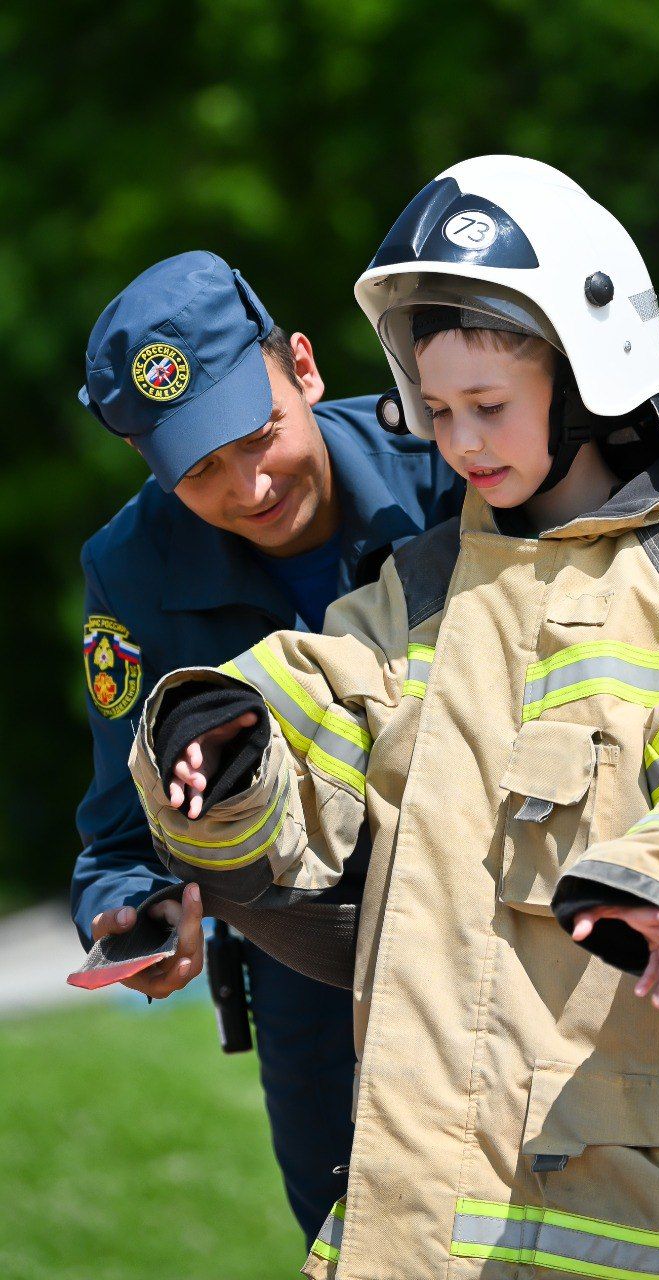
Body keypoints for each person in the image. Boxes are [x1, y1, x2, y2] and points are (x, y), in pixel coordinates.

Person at [129, 156, 659, 1279]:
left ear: (588, 372)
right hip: (412, 1220)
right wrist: (221, 739)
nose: (458, 440)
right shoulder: (416, 588)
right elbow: (316, 688)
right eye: (438, 408)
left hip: (650, 1214)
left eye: (488, 406)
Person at [71, 250, 463, 1244]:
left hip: (501, 915)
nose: (247, 486)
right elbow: (117, 837)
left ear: (303, 366)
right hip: (311, 975)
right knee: (362, 1243)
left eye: (258, 435)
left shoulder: (453, 464)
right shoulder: (130, 570)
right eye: (198, 469)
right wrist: (141, 913)